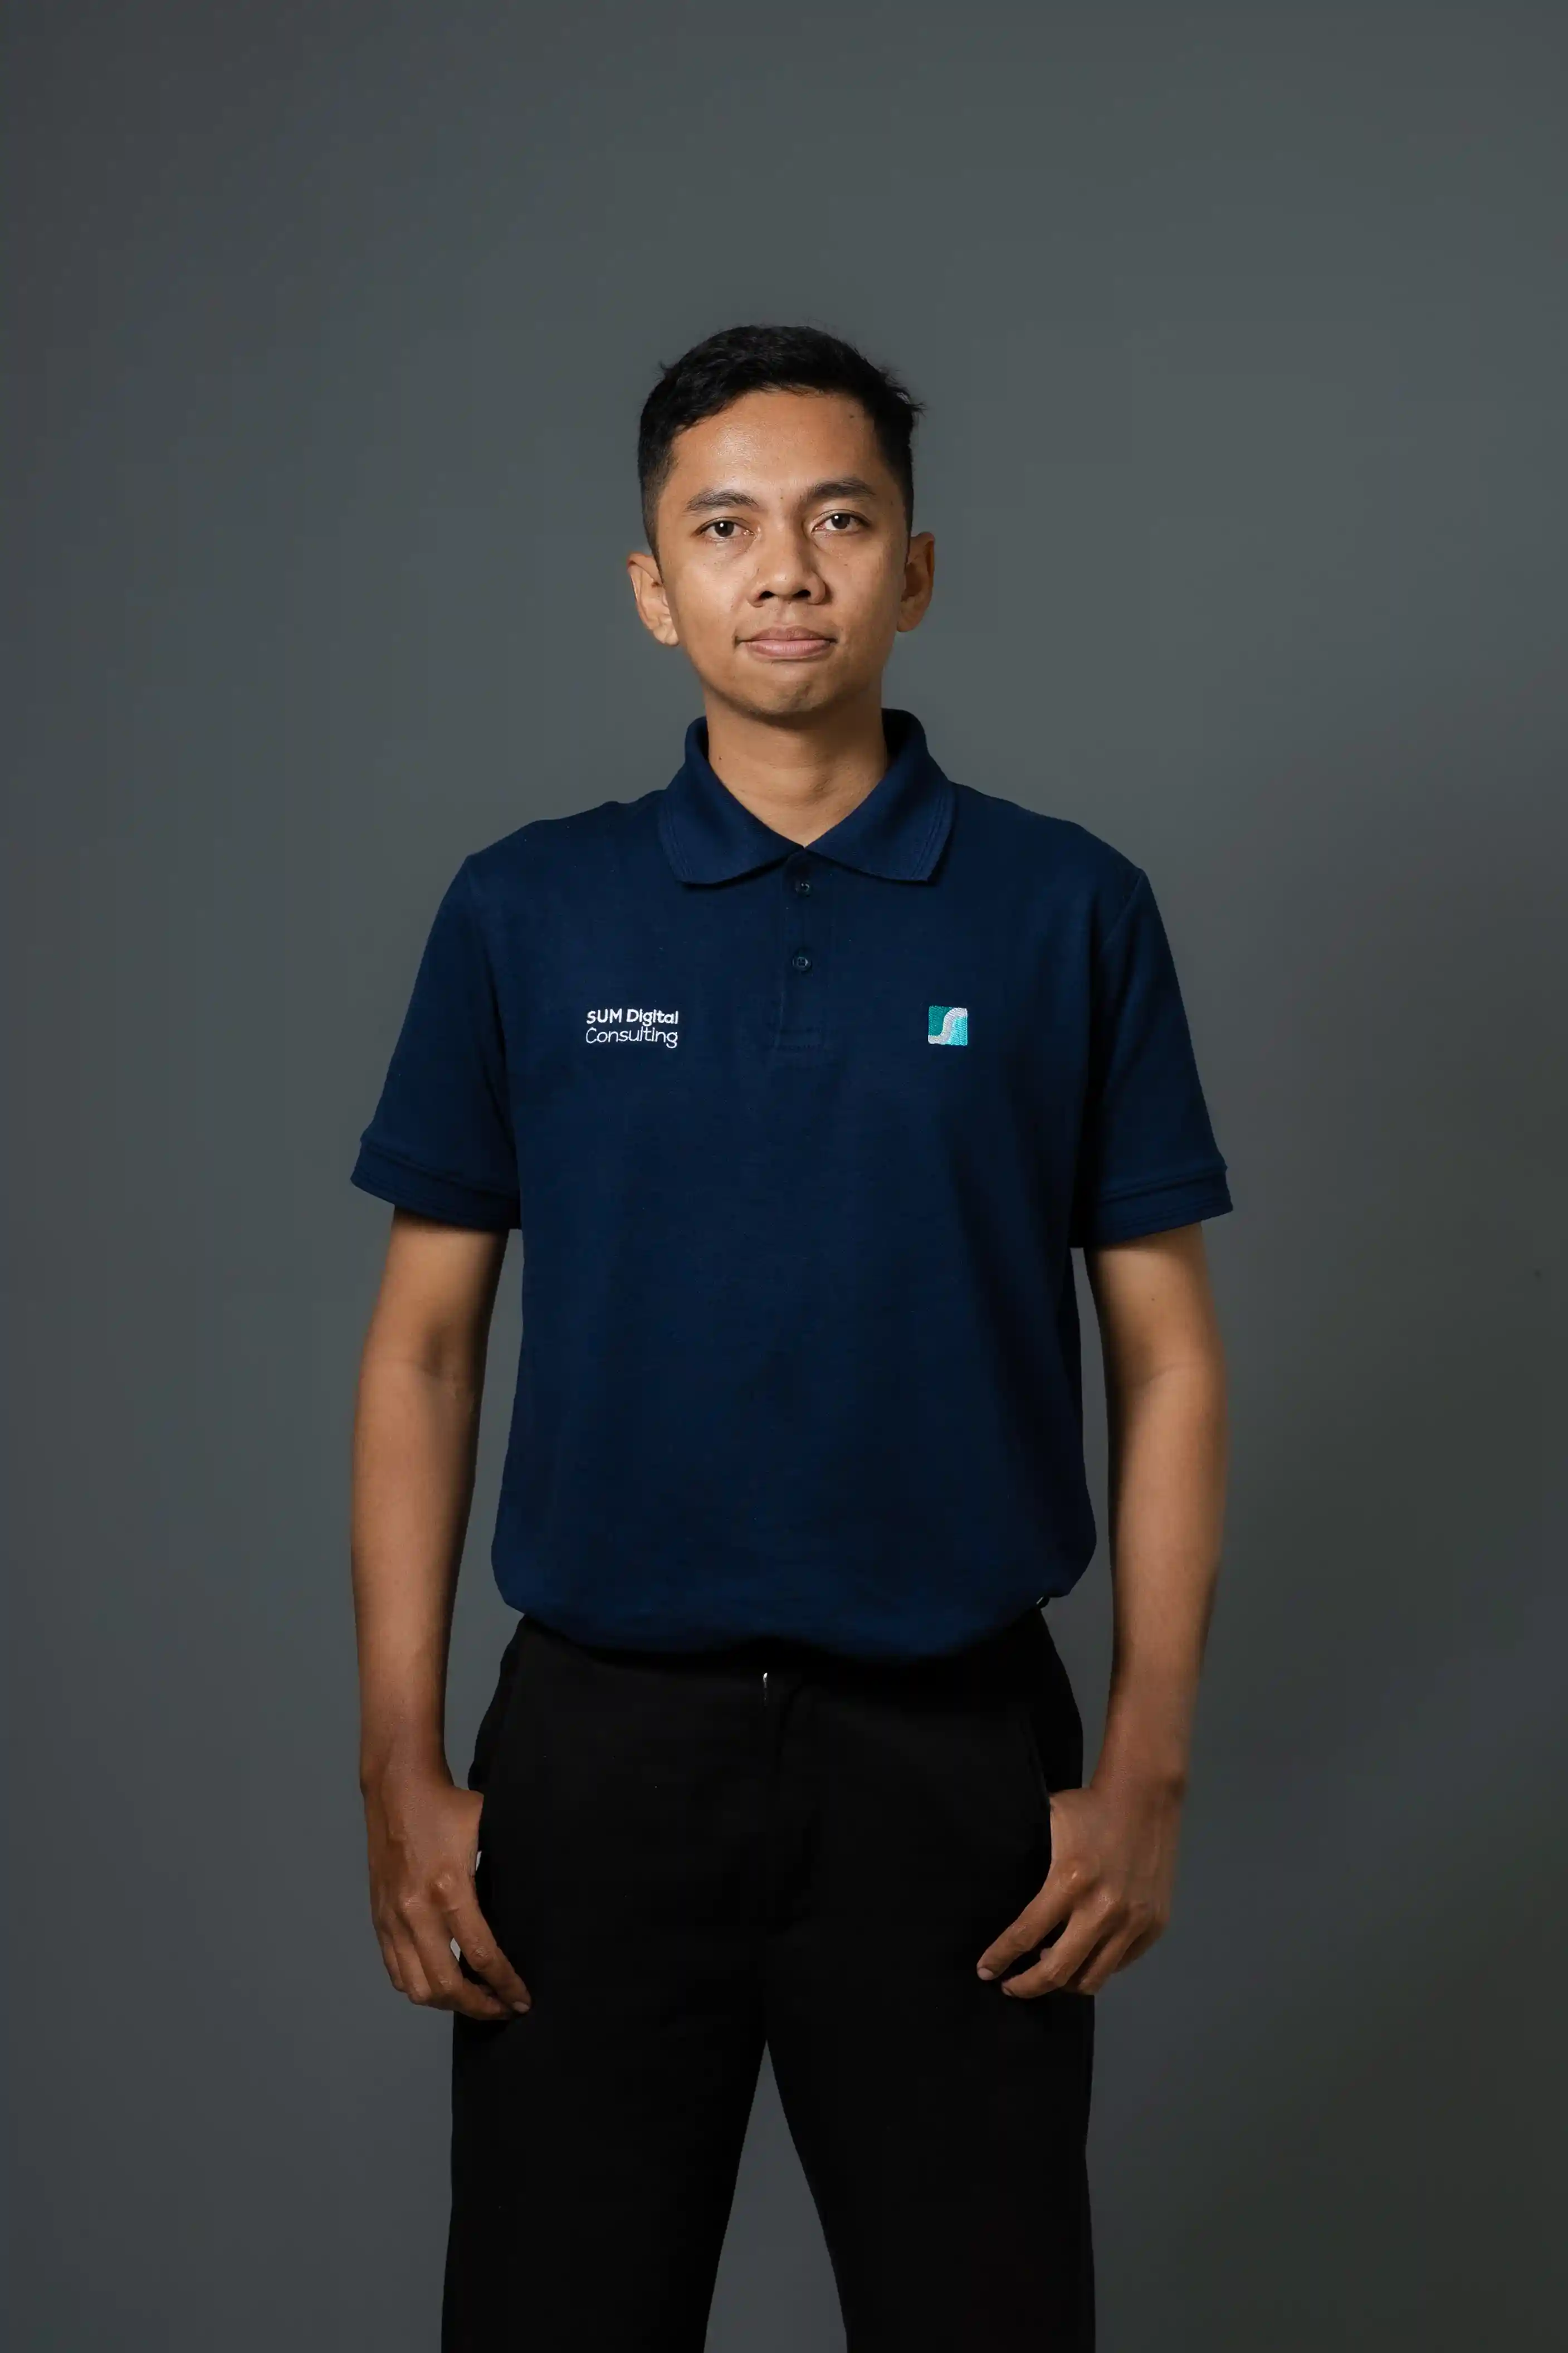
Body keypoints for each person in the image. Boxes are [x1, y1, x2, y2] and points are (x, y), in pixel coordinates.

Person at [348, 321, 1232, 2352]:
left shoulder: (1066, 910)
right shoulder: (526, 912)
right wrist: (396, 1755)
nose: (785, 570)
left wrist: (1148, 1763)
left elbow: (1168, 1358)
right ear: (652, 586)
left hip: (954, 1761)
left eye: (838, 521)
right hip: (597, 1754)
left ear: (912, 568)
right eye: (724, 526)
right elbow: (421, 1352)